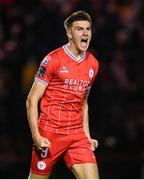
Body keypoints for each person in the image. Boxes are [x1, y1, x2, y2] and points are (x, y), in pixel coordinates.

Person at [26, 10, 99, 179]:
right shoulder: (52, 59)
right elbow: (31, 100)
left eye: (88, 29)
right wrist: (37, 136)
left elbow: (84, 103)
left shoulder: (93, 64)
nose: (86, 33)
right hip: (50, 133)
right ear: (69, 33)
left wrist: (87, 135)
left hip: (76, 135)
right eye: (80, 29)